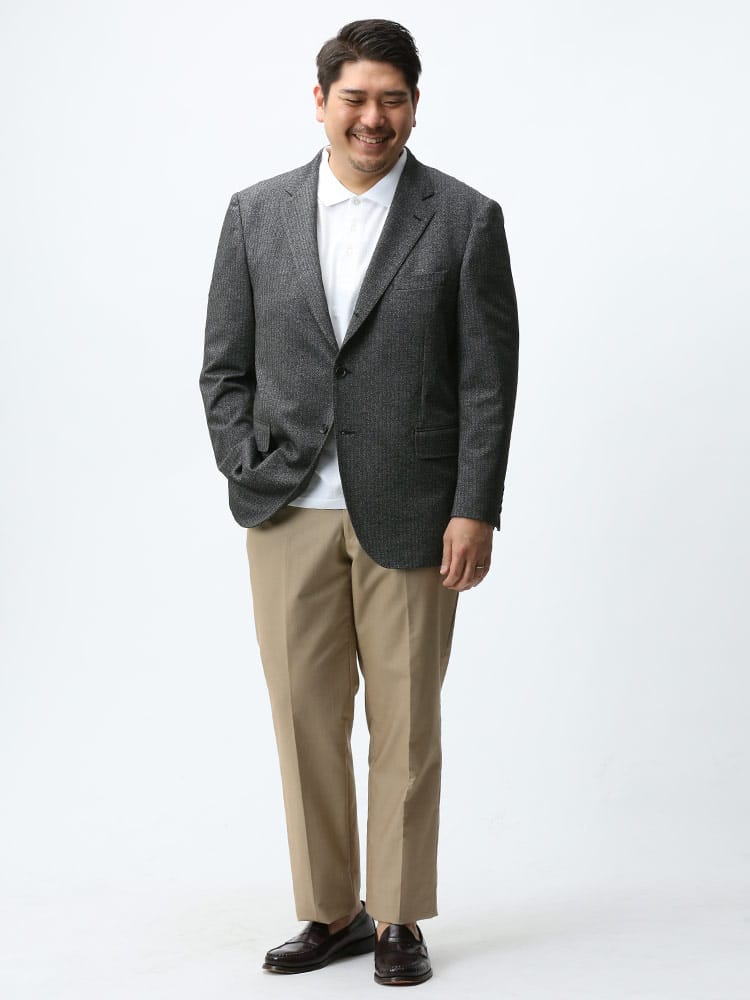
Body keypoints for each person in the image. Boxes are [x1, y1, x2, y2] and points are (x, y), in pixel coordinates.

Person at [199, 18, 518, 987]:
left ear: (415, 105)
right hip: (287, 508)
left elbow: (487, 381)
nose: (372, 117)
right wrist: (246, 462)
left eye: (392, 99)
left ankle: (399, 917)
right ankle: (332, 910)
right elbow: (223, 367)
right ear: (320, 101)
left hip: (416, 512)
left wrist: (475, 504)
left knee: (407, 724)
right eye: (355, 98)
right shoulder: (255, 214)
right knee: (304, 719)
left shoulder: (463, 219)